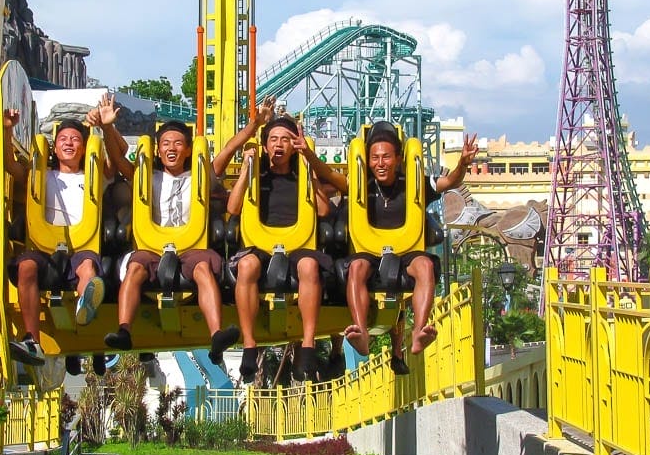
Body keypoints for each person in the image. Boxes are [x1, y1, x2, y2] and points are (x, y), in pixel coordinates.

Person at [315, 122, 478, 371]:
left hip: (406, 252)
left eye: (386, 157)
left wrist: (463, 165)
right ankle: (360, 332)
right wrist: (307, 156)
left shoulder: (415, 182)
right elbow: (329, 177)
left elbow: (449, 183)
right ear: (367, 160)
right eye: (375, 158)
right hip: (369, 252)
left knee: (424, 264)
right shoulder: (360, 184)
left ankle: (420, 330)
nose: (380, 163)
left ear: (398, 158)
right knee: (356, 267)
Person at [92, 95, 240, 364]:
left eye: (178, 144)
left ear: (187, 150)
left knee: (203, 268)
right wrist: (107, 128)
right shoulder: (147, 175)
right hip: (151, 247)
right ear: (158, 150)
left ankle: (216, 333)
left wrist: (254, 126)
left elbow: (228, 150)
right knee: (136, 267)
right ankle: (124, 329)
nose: (171, 149)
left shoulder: (200, 176)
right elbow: (120, 162)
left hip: (191, 248)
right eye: (165, 144)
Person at [227, 116, 334, 381]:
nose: (279, 145)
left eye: (285, 140)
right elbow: (232, 208)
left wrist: (310, 172)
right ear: (265, 146)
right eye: (273, 140)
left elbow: (323, 210)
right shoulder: (257, 174)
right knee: (247, 265)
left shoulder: (302, 174)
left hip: (298, 243)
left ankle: (308, 344)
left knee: (309, 266)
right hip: (259, 243)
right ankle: (249, 345)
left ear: (294, 145)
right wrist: (245, 170)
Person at [3, 110, 112, 366]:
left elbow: (113, 166)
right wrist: (8, 129)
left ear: (84, 148)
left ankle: (84, 308)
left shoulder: (93, 178)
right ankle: (33, 341)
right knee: (26, 266)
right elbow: (10, 164)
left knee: (87, 267)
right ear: (55, 146)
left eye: (75, 139)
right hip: (45, 247)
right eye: (64, 139)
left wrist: (105, 129)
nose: (69, 143)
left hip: (81, 246)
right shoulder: (41, 176)